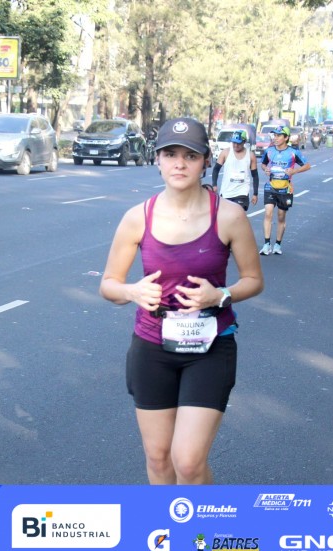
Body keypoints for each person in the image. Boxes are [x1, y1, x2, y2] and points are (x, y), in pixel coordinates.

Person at [99, 117, 264, 484]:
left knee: (187, 462)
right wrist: (132, 291)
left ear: (205, 161)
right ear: (157, 160)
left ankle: (203, 519)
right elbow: (109, 284)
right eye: (170, 154)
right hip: (152, 346)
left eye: (190, 156)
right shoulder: (137, 217)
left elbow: (254, 280)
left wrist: (220, 295)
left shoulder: (229, 216)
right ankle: (169, 521)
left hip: (210, 346)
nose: (179, 164)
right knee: (159, 459)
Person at [259, 125, 311, 255]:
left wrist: (294, 171)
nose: (275, 138)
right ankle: (266, 244)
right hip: (270, 186)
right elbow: (263, 164)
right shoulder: (270, 151)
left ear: (286, 137)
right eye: (275, 135)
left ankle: (277, 244)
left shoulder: (293, 152)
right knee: (268, 213)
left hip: (285, 188)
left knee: (281, 216)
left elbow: (307, 165)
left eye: (279, 135)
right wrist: (265, 169)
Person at [211, 130, 260, 211]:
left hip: (242, 192)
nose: (236, 145)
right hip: (226, 192)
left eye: (238, 143)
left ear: (244, 142)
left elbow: (255, 175)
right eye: (234, 142)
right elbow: (216, 169)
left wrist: (255, 194)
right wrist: (214, 185)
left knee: (237, 214)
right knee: (226, 217)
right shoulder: (225, 153)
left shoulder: (250, 155)